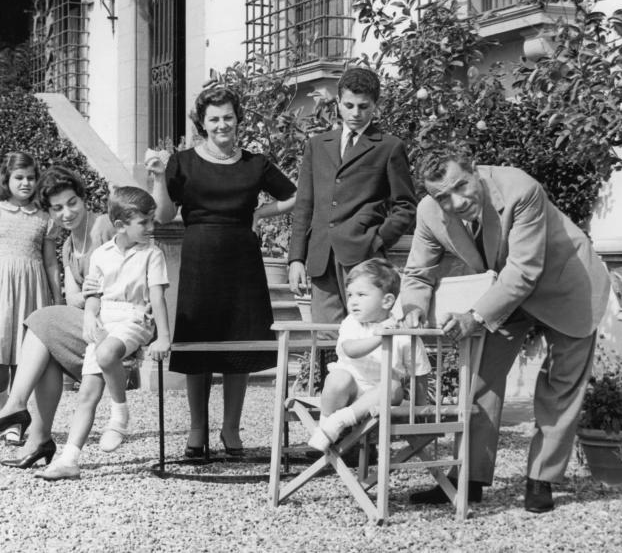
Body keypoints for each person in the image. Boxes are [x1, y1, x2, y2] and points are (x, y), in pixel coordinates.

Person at [400, 143, 613, 514]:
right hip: (506, 294)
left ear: (474, 170)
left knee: (559, 386)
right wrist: (413, 309)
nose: (456, 201)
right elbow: (418, 272)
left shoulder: (521, 189)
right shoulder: (429, 213)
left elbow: (524, 270)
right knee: (479, 379)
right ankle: (469, 479)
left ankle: (541, 479)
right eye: (442, 196)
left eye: (461, 186)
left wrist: (474, 316)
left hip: (568, 285)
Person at [148, 85, 296, 458]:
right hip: (199, 259)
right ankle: (197, 430)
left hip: (242, 262)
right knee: (198, 345)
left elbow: (294, 194)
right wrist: (156, 179)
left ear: (237, 119)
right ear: (202, 123)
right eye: (214, 118)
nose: (222, 124)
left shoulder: (254, 163)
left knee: (239, 345)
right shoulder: (182, 162)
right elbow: (164, 216)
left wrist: (262, 213)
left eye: (228, 117)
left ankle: (231, 430)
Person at [0, 166, 113, 469]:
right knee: (47, 343)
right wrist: (90, 293)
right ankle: (39, 439)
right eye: (57, 208)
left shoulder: (102, 227)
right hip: (92, 328)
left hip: (117, 330)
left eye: (72, 202)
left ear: (84, 198)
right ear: (49, 212)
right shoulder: (66, 247)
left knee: (41, 319)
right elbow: (77, 298)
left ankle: (15, 406)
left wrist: (93, 293)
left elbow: (118, 281)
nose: (67, 213)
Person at [35, 186, 171, 480]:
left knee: (107, 352)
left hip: (135, 319)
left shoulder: (152, 254)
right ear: (121, 226)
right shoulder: (101, 255)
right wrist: (89, 316)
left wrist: (164, 337)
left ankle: (120, 414)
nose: (151, 227)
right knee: (87, 393)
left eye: (151, 220)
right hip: (105, 322)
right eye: (143, 222)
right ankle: (69, 459)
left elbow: (157, 297)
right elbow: (93, 294)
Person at [288, 67, 416, 325]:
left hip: (364, 256)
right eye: (349, 105)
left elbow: (406, 206)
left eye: (363, 106)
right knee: (325, 337)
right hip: (322, 257)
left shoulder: (389, 146)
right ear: (338, 103)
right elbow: (304, 205)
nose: (355, 113)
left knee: (366, 332)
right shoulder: (317, 145)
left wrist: (377, 241)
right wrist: (296, 259)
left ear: (375, 106)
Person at [0, 151, 62, 444]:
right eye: (19, 177)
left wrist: (57, 301)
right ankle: (2, 408)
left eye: (31, 178)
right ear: (6, 179)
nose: (25, 183)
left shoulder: (45, 219)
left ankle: (15, 420)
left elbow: (50, 262)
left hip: (31, 289)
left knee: (25, 356)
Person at [307, 258, 430, 453]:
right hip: (349, 392)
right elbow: (351, 350)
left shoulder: (403, 333)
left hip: (379, 397)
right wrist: (379, 338)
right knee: (337, 378)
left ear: (387, 301)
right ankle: (326, 425)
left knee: (393, 386)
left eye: (361, 295)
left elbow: (420, 371)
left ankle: (338, 422)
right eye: (350, 295)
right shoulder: (352, 323)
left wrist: (422, 411)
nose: (352, 301)